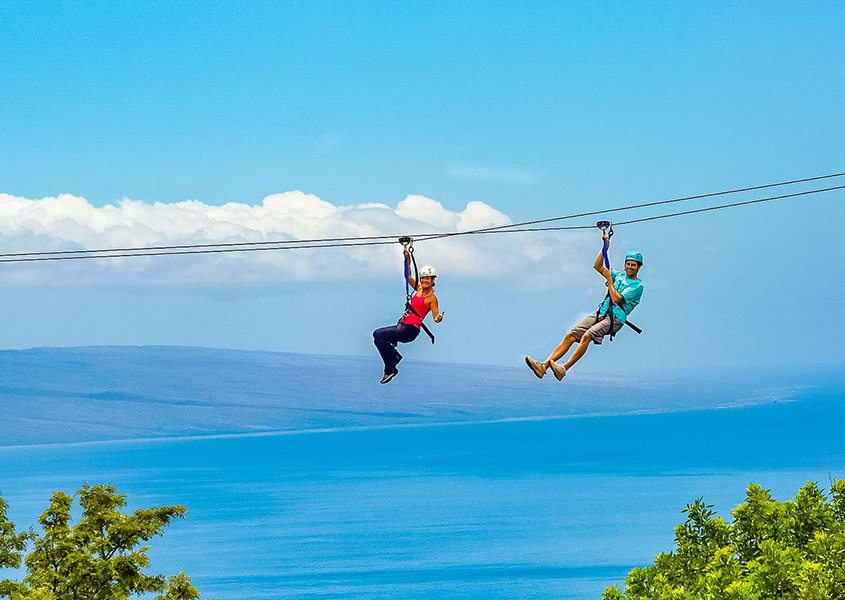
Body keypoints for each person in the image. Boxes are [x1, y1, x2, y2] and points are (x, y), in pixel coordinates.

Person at [525, 236, 643, 381]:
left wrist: (610, 282)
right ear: (625, 265)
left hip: (616, 318)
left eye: (633, 265)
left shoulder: (637, 286)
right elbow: (598, 266)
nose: (630, 267)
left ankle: (564, 368)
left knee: (587, 335)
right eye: (628, 264)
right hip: (602, 311)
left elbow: (617, 298)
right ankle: (543, 366)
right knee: (571, 335)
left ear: (639, 267)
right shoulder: (618, 275)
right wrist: (605, 248)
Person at [373, 248, 444, 384]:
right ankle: (393, 361)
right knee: (378, 338)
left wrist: (438, 318)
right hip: (403, 326)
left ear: (433, 280)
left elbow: (435, 316)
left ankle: (391, 366)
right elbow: (408, 275)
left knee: (378, 334)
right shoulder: (418, 289)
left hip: (410, 330)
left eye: (427, 279)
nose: (424, 281)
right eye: (423, 278)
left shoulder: (432, 299)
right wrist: (407, 258)